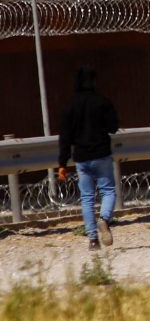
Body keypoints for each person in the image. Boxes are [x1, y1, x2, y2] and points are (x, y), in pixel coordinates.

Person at [55, 66, 118, 251]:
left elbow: (65, 137)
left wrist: (62, 164)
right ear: (94, 82)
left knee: (87, 198)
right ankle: (104, 219)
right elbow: (113, 127)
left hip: (81, 158)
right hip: (102, 154)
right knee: (108, 191)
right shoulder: (102, 102)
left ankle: (92, 240)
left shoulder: (70, 106)